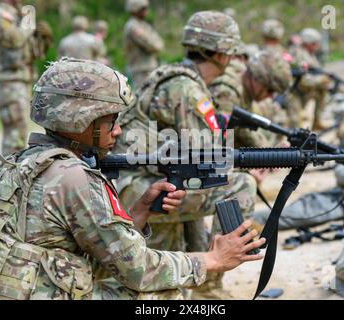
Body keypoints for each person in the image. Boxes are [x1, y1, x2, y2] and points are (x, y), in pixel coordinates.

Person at [0, 58, 265, 300]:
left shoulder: (15, 163)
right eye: (110, 121)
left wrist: (140, 212)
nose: (118, 131)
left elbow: (98, 250)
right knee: (160, 293)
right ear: (80, 120)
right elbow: (139, 271)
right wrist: (213, 259)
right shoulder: (74, 178)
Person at [116, 11, 259, 299]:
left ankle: (191, 281)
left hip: (134, 185)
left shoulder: (171, 77)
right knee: (241, 185)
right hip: (140, 192)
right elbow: (205, 159)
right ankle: (209, 285)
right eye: (230, 51)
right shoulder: (188, 90)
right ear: (221, 53)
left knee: (196, 184)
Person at [0, 0, 53, 155]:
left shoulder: (18, 15)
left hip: (20, 80)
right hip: (8, 80)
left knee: (20, 131)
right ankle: (8, 175)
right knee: (15, 132)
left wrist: (43, 39)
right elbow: (15, 40)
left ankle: (12, 173)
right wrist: (29, 25)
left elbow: (32, 52)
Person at [286, 28, 332, 130]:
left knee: (323, 89)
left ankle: (317, 121)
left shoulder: (309, 55)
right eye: (315, 44)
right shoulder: (298, 54)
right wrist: (321, 80)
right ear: (308, 43)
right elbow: (304, 80)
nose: (317, 47)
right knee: (294, 124)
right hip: (293, 92)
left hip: (303, 91)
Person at [123, 0, 164, 89]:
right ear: (135, 9)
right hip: (141, 69)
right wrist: (155, 44)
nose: (146, 11)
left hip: (149, 67)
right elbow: (152, 45)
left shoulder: (144, 25)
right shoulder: (133, 26)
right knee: (143, 96)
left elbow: (159, 43)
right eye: (143, 9)